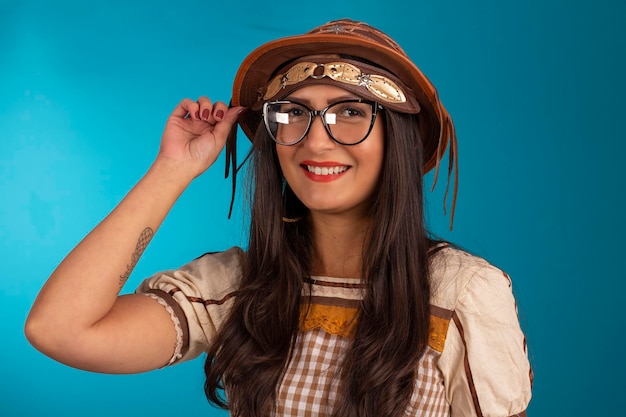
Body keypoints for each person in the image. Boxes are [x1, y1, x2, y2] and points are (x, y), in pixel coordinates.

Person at [25, 19, 532, 417]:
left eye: (350, 112)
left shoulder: (461, 294)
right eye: (293, 113)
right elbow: (60, 329)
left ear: (395, 140)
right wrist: (173, 170)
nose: (314, 140)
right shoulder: (240, 287)